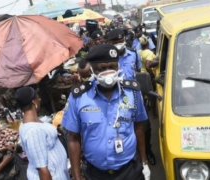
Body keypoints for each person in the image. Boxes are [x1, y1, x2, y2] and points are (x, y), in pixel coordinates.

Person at [62, 44, 151, 180]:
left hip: (129, 170)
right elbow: (73, 138)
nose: (108, 72)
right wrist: (77, 176)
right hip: (95, 173)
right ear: (92, 69)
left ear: (118, 66)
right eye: (101, 69)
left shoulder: (133, 92)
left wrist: (144, 162)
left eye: (112, 67)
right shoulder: (79, 97)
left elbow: (139, 126)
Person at [16, 87, 70, 180]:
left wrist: (52, 134)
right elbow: (42, 169)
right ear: (34, 102)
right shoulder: (33, 131)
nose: (39, 99)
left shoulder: (31, 123)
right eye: (38, 97)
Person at [138, 36, 157, 165]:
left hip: (139, 89)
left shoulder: (135, 53)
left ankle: (147, 151)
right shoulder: (148, 53)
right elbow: (147, 66)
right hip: (144, 81)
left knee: (146, 128)